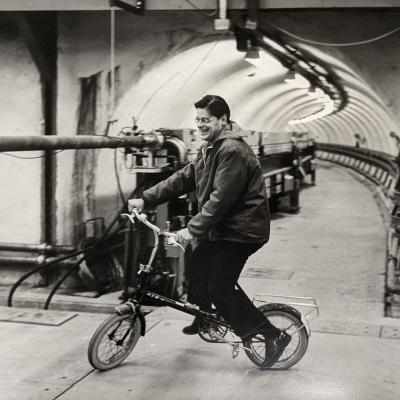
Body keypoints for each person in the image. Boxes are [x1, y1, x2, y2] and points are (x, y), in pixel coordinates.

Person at [128, 94, 291, 369]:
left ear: (223, 120)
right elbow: (182, 179)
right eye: (198, 120)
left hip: (241, 230)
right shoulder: (210, 149)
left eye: (206, 120)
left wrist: (192, 230)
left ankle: (272, 335)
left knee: (220, 288)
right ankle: (205, 316)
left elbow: (221, 199)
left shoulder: (232, 151)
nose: (200, 125)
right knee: (196, 264)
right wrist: (146, 198)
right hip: (222, 229)